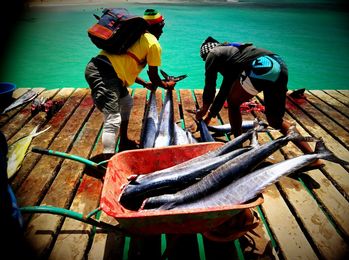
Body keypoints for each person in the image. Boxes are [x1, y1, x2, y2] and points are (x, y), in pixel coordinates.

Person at [196, 36, 323, 166]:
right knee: (275, 121)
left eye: (204, 59)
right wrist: (210, 116)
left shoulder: (213, 54)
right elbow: (224, 91)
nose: (206, 62)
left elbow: (210, 85)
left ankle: (238, 147)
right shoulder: (233, 55)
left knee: (233, 103)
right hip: (279, 64)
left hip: (261, 66)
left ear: (206, 54)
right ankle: (312, 157)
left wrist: (203, 110)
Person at [85, 9, 175, 155]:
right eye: (161, 28)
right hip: (104, 73)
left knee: (126, 102)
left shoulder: (132, 37)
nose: (162, 32)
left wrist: (144, 84)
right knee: (112, 118)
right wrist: (167, 85)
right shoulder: (153, 44)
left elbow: (124, 65)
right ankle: (109, 159)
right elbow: (155, 77)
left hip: (105, 70)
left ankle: (124, 140)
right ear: (155, 28)